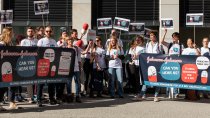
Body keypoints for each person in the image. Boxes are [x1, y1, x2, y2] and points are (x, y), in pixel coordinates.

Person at [134, 32, 161, 102]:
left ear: (155, 36)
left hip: (157, 64)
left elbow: (161, 54)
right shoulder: (147, 44)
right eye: (151, 36)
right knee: (147, 80)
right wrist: (137, 56)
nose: (151, 37)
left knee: (157, 80)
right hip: (148, 65)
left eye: (153, 35)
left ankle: (156, 96)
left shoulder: (159, 45)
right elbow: (144, 53)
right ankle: (141, 94)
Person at [37, 26, 58, 107]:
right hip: (43, 65)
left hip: (51, 65)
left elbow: (57, 52)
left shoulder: (54, 41)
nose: (48, 33)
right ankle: (39, 100)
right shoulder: (41, 41)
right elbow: (38, 52)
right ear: (44, 32)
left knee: (51, 83)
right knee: (41, 83)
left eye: (50, 31)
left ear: (52, 32)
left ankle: (51, 99)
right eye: (47, 31)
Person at [161, 29, 184, 99]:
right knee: (168, 78)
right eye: (173, 37)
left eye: (175, 37)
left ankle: (176, 93)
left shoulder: (181, 45)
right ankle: (168, 93)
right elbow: (161, 42)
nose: (173, 38)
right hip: (169, 63)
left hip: (177, 64)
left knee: (176, 78)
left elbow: (183, 55)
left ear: (178, 38)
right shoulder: (170, 44)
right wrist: (165, 33)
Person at [0, 27, 19, 109]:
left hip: (9, 67)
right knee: (3, 87)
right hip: (2, 68)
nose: (13, 34)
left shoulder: (10, 44)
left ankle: (12, 102)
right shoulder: (1, 44)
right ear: (8, 34)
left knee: (12, 85)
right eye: (12, 33)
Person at [20, 27, 38, 103]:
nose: (30, 32)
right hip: (27, 63)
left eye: (31, 31)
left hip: (35, 62)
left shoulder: (37, 41)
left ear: (33, 32)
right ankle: (30, 97)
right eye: (29, 31)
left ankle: (36, 96)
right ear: (27, 32)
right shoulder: (23, 41)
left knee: (35, 80)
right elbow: (21, 52)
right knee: (29, 81)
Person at [66, 37, 82, 103]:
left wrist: (89, 45)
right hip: (68, 67)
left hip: (76, 67)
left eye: (71, 40)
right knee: (69, 82)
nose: (70, 41)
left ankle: (77, 96)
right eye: (69, 40)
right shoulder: (65, 48)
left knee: (77, 82)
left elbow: (80, 56)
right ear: (67, 41)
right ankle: (69, 96)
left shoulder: (76, 48)